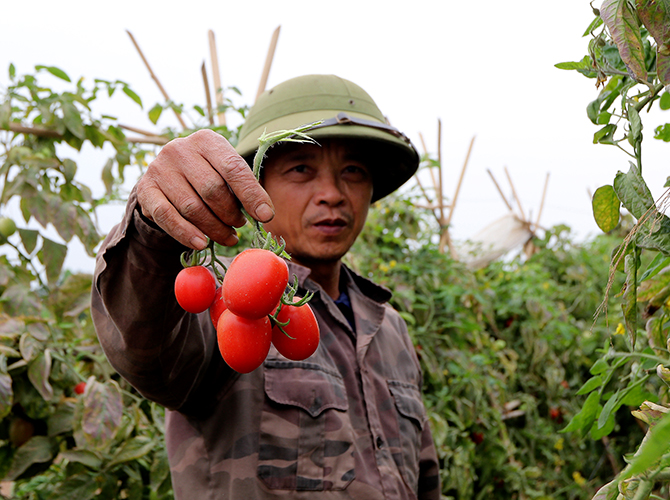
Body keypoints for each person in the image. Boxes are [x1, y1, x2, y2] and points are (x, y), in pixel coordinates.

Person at [91, 74, 441, 499]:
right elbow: (147, 346)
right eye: (300, 169)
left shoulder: (391, 330)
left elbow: (423, 476)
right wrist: (155, 231)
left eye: (352, 170)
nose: (332, 193)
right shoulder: (220, 305)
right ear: (252, 186)